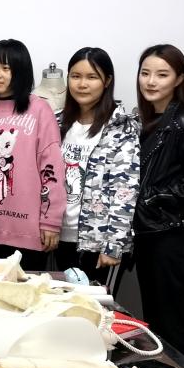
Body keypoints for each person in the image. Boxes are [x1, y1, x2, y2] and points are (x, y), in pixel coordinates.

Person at [134, 44, 184, 355]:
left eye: (162, 74)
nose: (151, 81)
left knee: (172, 322)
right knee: (155, 320)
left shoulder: (183, 122)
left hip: (172, 235)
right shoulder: (147, 120)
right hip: (150, 233)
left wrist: (152, 198)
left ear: (180, 79)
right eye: (145, 73)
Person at [0, 39, 65, 271]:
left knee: (28, 292)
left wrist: (51, 220)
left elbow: (51, 168)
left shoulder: (39, 110)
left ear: (21, 71)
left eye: (6, 68)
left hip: (29, 233)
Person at [54, 47, 140, 292]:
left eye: (92, 77)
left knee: (97, 309)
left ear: (107, 81)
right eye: (75, 76)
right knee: (62, 306)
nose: (82, 84)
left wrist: (114, 244)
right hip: (60, 237)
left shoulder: (121, 127)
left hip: (99, 241)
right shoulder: (56, 122)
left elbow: (125, 189)